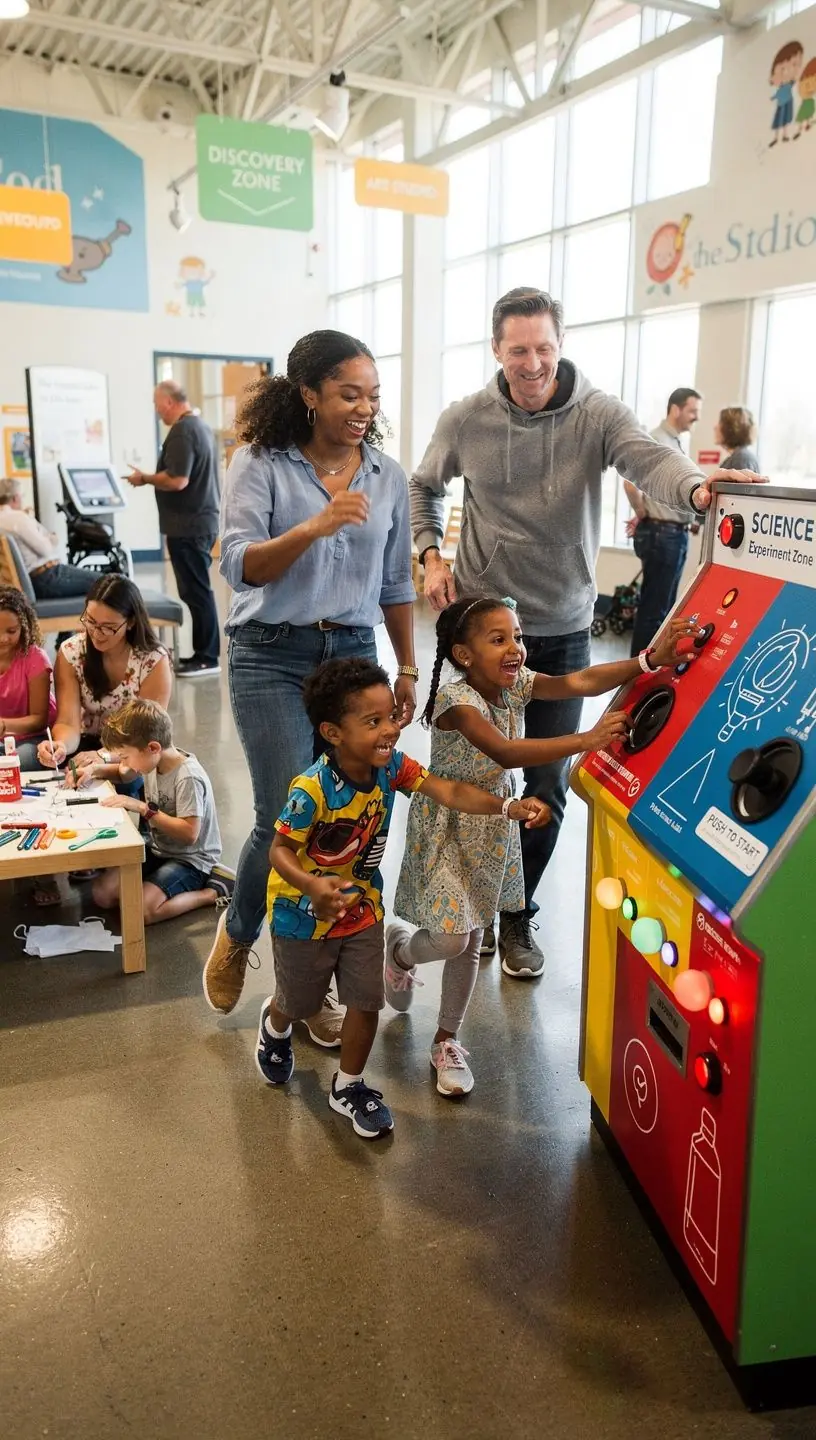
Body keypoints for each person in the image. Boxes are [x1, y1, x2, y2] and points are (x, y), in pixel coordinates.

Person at [410, 288, 762, 979]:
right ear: (497, 351)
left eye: (545, 347)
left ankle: (516, 918)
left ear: (560, 344)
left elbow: (647, 459)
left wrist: (698, 489)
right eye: (519, 351)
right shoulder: (467, 419)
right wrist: (429, 555)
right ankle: (474, 907)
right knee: (481, 775)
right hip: (482, 633)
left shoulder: (597, 413)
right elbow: (423, 486)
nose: (534, 363)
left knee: (544, 783)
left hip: (562, 626)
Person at [203, 330, 419, 1048]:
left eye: (373, 397)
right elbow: (241, 567)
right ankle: (239, 934)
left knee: (348, 821)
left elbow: (395, 584)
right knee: (287, 814)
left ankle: (311, 986)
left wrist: (409, 667)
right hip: (271, 651)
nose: (364, 409)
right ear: (309, 394)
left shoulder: (386, 476)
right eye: (349, 394)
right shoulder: (259, 463)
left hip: (354, 653)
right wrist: (317, 524)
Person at [388, 597, 694, 1094]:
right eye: (499, 639)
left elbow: (576, 681)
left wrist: (647, 661)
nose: (516, 649)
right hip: (452, 824)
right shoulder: (455, 702)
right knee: (449, 938)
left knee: (470, 938)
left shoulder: (517, 686)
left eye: (518, 637)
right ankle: (400, 953)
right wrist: (585, 740)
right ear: (464, 655)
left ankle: (446, 1040)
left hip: (494, 827)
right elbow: (506, 751)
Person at [256, 656, 549, 1139]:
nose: (390, 729)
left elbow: (449, 790)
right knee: (300, 1000)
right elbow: (279, 849)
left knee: (365, 1002)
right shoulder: (311, 790)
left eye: (391, 716)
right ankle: (276, 1024)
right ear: (333, 732)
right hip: (301, 916)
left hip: (363, 909)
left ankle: (348, 1085)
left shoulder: (392, 766)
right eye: (372, 722)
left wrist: (506, 806)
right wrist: (313, 886)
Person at [88, 698, 232, 925]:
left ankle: (214, 891)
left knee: (139, 912)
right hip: (159, 849)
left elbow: (189, 834)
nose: (125, 762)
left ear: (152, 747)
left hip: (191, 859)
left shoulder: (188, 777)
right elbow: (123, 773)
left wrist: (143, 809)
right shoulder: (151, 760)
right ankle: (155, 888)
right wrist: (94, 770)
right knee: (102, 895)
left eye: (125, 755)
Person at [125, 381, 221, 679]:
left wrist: (145, 478)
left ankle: (207, 657)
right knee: (196, 591)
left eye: (157, 405)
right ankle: (205, 653)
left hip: (189, 526)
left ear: (168, 401)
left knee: (197, 592)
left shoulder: (183, 431)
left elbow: (178, 480)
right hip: (197, 523)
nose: (157, 411)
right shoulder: (200, 428)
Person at [37, 573, 173, 773]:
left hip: (135, 749)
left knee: (125, 781)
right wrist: (61, 747)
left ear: (131, 622)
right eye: (90, 621)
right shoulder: (71, 652)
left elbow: (146, 733)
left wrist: (103, 756)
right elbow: (68, 722)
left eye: (108, 627)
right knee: (61, 773)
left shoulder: (153, 659)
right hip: (87, 743)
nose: (96, 633)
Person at [624, 387, 702, 659]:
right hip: (662, 534)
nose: (696, 417)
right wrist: (643, 512)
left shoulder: (675, 441)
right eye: (693, 411)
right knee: (653, 612)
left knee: (665, 610)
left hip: (673, 533)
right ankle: (638, 677)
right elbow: (629, 482)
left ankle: (652, 667)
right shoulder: (656, 439)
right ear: (675, 408)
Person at [0, 476, 97, 602]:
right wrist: (52, 538)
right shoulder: (18, 518)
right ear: (16, 497)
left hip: (32, 580)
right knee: (108, 583)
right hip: (46, 578)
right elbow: (46, 550)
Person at [0, 586, 56, 769]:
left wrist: (2, 725)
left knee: (21, 761)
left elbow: (39, 720)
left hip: (33, 737)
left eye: (11, 631)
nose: (3, 639)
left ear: (23, 628)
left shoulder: (35, 659)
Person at [715, 406, 760, 473]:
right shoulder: (739, 457)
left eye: (720, 423)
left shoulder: (741, 459)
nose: (715, 427)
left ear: (729, 429)